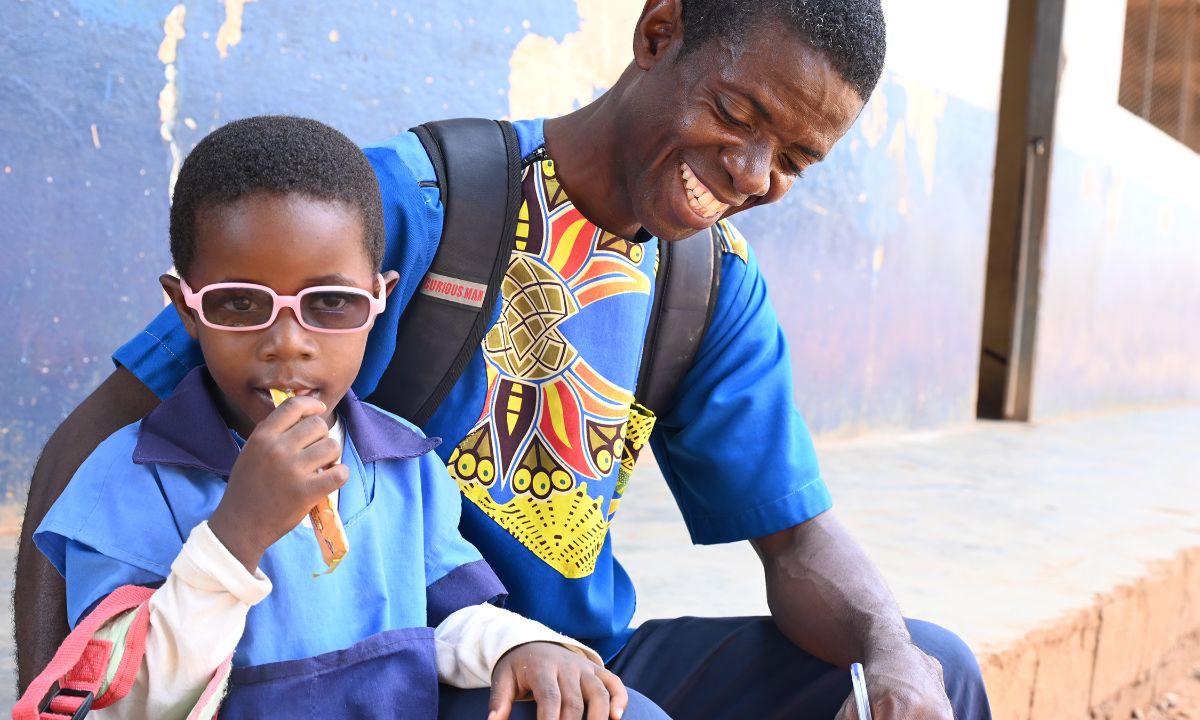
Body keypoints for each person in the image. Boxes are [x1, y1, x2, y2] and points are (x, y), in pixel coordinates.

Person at [17, 1, 993, 719]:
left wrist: (889, 651)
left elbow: (799, 542)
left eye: (793, 158)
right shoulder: (408, 203)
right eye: (738, 115)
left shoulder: (710, 286)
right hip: (411, 664)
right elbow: (93, 444)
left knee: (926, 670)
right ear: (659, 35)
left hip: (581, 656)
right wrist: (46, 685)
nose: (751, 174)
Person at [14, 116, 641, 720]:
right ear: (186, 309)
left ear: (380, 301)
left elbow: (450, 618)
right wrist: (237, 534)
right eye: (239, 303)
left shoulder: (405, 465)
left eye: (332, 303)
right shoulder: (127, 483)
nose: (288, 343)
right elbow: (130, 702)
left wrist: (520, 645)